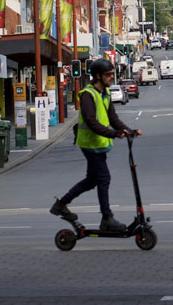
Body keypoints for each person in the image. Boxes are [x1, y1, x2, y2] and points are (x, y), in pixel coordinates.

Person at [50, 59, 141, 231]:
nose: (111, 77)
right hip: (90, 144)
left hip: (99, 144)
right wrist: (114, 134)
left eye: (112, 74)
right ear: (98, 76)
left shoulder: (104, 93)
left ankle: (61, 205)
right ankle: (107, 218)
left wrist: (129, 131)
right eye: (108, 75)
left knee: (93, 180)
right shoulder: (88, 95)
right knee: (103, 178)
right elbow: (91, 122)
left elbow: (113, 119)